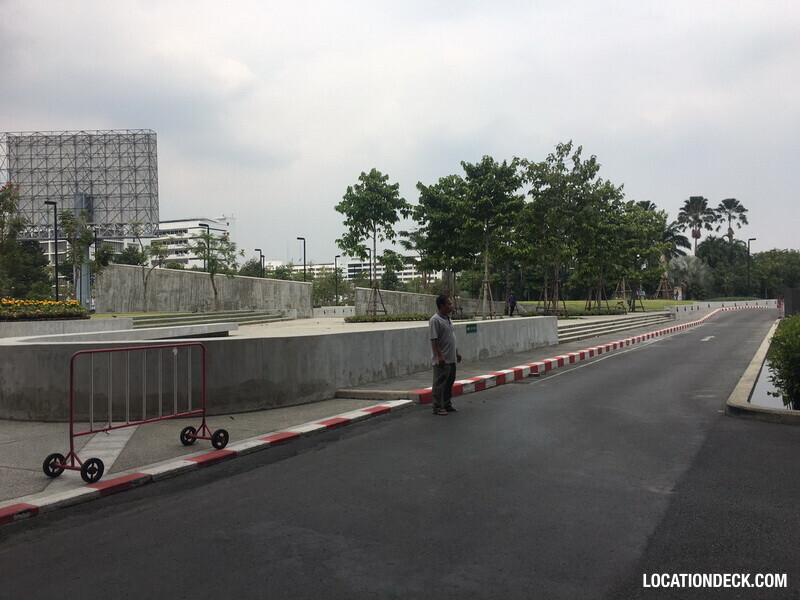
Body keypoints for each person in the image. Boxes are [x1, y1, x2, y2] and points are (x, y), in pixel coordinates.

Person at [429, 294, 462, 416]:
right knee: (439, 383)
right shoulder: (435, 320)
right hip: (442, 358)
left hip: (451, 357)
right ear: (442, 306)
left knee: (449, 382)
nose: (452, 306)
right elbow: (434, 340)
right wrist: (439, 356)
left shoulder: (448, 318)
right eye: (449, 304)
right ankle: (437, 407)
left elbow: (451, 337)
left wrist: (456, 352)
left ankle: (447, 404)